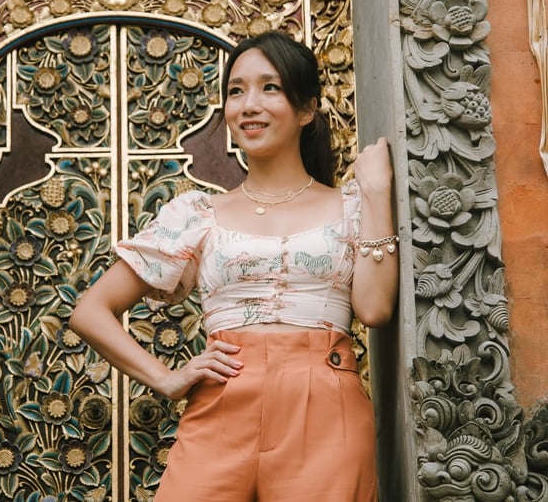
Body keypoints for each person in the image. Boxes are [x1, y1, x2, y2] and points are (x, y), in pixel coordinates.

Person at [70, 31, 399, 502]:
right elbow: (90, 311)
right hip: (222, 402)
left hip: (327, 410)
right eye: (235, 91)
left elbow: (374, 309)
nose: (248, 105)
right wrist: (166, 379)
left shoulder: (351, 207)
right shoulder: (197, 214)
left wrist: (377, 193)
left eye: (270, 88)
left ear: (307, 109)